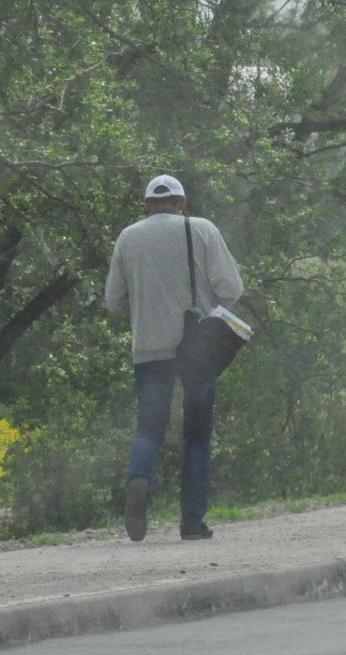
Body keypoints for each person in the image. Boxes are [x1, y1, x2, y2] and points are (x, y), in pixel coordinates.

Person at [104, 174, 244, 542]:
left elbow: (112, 301)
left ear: (147, 204)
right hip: (196, 348)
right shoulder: (201, 229)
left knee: (149, 428)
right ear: (181, 203)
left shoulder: (127, 237)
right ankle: (192, 523)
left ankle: (139, 480)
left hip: (149, 349)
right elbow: (232, 287)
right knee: (197, 435)